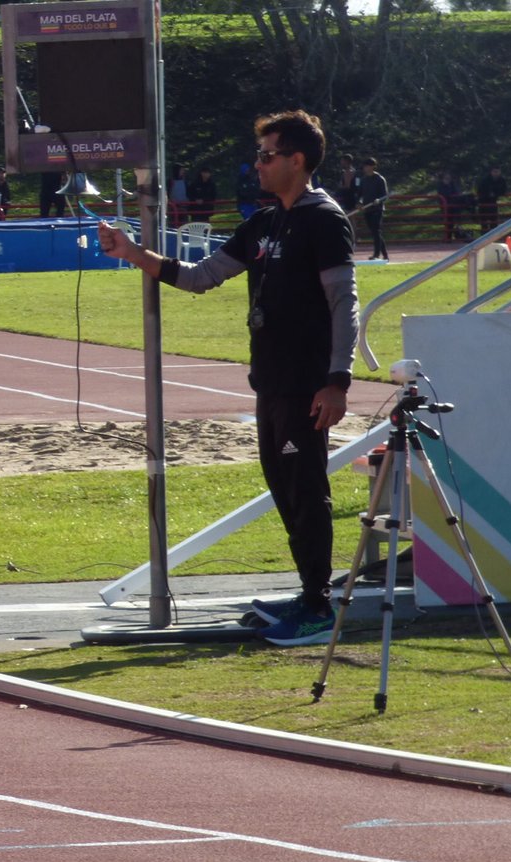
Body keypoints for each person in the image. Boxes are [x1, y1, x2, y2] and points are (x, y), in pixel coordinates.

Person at [96, 110, 359, 647]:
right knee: (284, 488)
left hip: (308, 385)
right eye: (258, 155)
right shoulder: (265, 222)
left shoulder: (324, 220)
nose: (257, 164)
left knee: (307, 491)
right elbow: (199, 278)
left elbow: (344, 303)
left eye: (267, 155)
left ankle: (318, 608)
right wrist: (131, 252)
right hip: (270, 382)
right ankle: (309, 593)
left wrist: (338, 380)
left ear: (297, 160)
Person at [358, 156, 388, 261]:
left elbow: (385, 195)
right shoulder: (364, 180)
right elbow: (360, 194)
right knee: (376, 233)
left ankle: (376, 254)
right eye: (365, 166)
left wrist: (379, 200)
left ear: (373, 167)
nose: (365, 168)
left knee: (376, 231)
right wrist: (360, 203)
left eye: (367, 166)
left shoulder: (380, 179)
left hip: (377, 209)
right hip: (368, 209)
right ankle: (385, 255)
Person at [476, 165, 508, 233]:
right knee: (484, 221)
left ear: (500, 172)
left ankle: (494, 237)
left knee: (494, 221)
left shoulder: (502, 180)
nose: (496, 173)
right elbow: (480, 191)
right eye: (494, 171)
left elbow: (504, 190)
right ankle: (484, 239)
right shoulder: (485, 180)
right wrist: (488, 194)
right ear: (491, 172)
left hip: (493, 202)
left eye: (497, 171)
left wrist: (496, 194)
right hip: (484, 202)